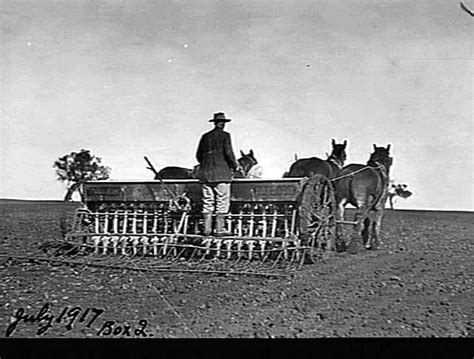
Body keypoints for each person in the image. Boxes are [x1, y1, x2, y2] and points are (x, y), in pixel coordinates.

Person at [195, 112, 242, 236]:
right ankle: (220, 229)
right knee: (222, 201)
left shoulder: (205, 136)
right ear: (223, 124)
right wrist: (235, 166)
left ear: (214, 123)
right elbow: (229, 153)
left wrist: (207, 164)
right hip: (222, 175)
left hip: (205, 175)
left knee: (207, 201)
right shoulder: (225, 135)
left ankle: (207, 229)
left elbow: (198, 155)